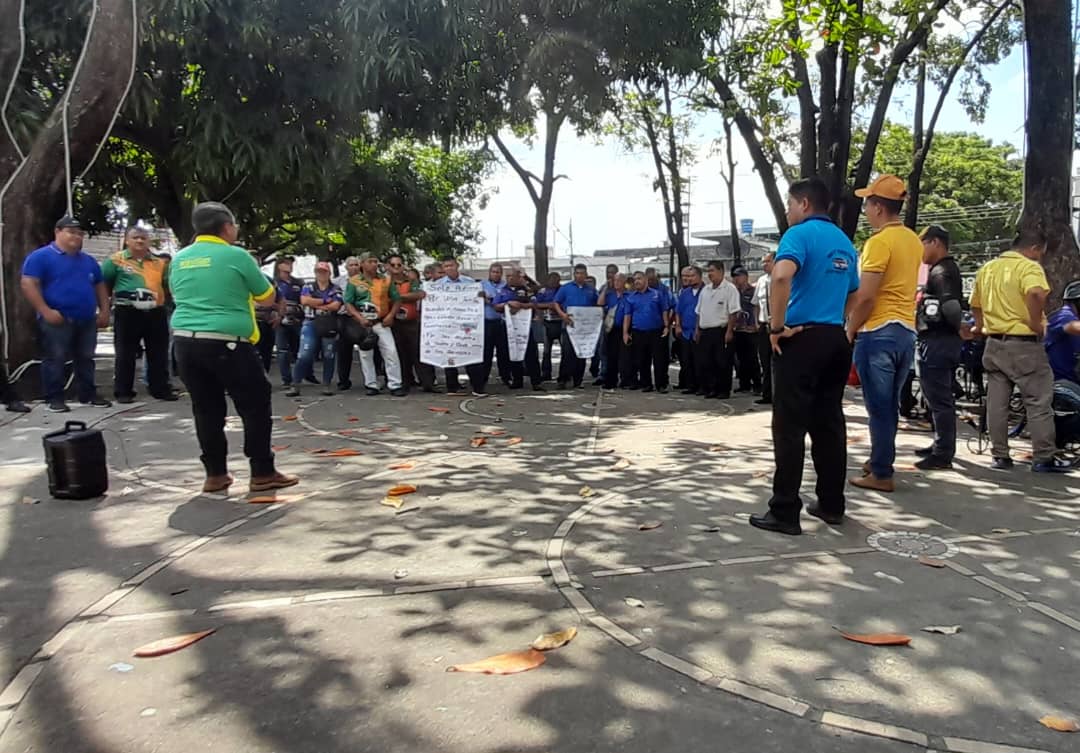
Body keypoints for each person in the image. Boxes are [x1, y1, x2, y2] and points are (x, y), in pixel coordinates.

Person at [748, 178, 860, 536]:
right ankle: (831, 503)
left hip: (800, 339)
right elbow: (856, 294)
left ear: (805, 204)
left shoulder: (797, 236)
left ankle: (784, 510)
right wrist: (839, 322)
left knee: (789, 426)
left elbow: (781, 277)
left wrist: (776, 327)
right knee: (829, 424)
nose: (787, 211)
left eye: (790, 204)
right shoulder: (845, 243)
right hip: (834, 338)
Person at [168, 201, 298, 494]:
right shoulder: (236, 256)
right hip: (227, 342)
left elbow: (178, 293)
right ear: (226, 227)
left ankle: (215, 474)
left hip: (186, 341)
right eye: (234, 224)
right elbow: (266, 296)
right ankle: (262, 471)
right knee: (254, 404)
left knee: (206, 408)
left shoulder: (179, 259)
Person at [845, 174, 922, 493]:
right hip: (905, 331)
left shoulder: (878, 242)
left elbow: (866, 296)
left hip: (877, 331)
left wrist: (850, 330)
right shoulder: (913, 240)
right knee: (889, 404)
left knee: (878, 407)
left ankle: (881, 472)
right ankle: (880, 459)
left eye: (866, 203)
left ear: (878, 207)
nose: (864, 209)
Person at [971, 228, 1070, 472]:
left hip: (994, 343)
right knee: (1038, 401)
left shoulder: (987, 269)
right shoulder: (1029, 267)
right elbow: (1036, 292)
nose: (1040, 259)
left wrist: (980, 326)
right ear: (1034, 248)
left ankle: (1000, 456)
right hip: (1024, 345)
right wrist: (1036, 323)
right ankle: (1044, 457)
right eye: (1040, 254)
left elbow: (975, 304)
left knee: (997, 402)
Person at [20, 216, 111, 412]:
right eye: (71, 232)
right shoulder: (40, 257)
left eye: (80, 233)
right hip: (56, 318)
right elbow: (29, 284)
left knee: (86, 357)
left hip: (86, 318)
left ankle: (88, 394)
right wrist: (45, 311)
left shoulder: (88, 261)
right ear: (57, 232)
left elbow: (100, 286)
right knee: (55, 357)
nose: (76, 237)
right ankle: (54, 398)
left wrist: (104, 310)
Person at [103, 226, 178, 404]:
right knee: (125, 353)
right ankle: (123, 391)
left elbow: (168, 286)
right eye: (135, 238)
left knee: (158, 352)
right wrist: (105, 308)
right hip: (127, 311)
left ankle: (160, 388)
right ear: (127, 241)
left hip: (155, 312)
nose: (139, 241)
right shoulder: (115, 261)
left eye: (143, 238)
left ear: (149, 241)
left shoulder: (160, 263)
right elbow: (104, 285)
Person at [913, 225, 965, 470]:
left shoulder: (942, 271)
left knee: (940, 398)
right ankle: (939, 444)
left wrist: (960, 327)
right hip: (936, 340)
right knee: (934, 397)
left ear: (935, 242)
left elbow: (950, 305)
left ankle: (943, 453)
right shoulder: (941, 269)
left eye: (922, 243)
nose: (919, 249)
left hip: (938, 341)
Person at [343, 253, 406, 397]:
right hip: (364, 324)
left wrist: (391, 316)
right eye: (370, 261)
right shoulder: (354, 282)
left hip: (382, 322)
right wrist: (359, 319)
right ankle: (371, 384)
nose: (374, 264)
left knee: (391, 351)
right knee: (366, 354)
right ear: (362, 264)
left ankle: (395, 384)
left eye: (375, 261)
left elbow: (397, 299)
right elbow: (348, 303)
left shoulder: (386, 280)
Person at [286, 262, 342, 397]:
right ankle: (295, 384)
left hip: (329, 323)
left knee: (328, 354)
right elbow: (304, 301)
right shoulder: (308, 286)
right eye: (318, 272)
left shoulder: (335, 287)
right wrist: (325, 301)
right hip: (311, 322)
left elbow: (336, 305)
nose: (321, 274)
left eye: (324, 272)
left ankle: (327, 384)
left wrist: (315, 303)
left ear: (329, 273)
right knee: (304, 354)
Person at [694, 261, 741, 399]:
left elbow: (733, 312)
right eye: (708, 271)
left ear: (721, 271)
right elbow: (699, 311)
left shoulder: (729, 289)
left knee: (722, 362)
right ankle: (711, 389)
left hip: (721, 330)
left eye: (712, 270)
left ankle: (723, 390)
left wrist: (729, 331)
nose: (710, 274)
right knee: (707, 362)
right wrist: (697, 329)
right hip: (706, 331)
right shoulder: (706, 290)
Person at [388, 254, 434, 392]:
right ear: (387, 266)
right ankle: (404, 383)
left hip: (412, 322)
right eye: (393, 265)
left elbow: (419, 295)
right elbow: (383, 298)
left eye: (399, 264)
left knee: (419, 353)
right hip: (394, 322)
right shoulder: (384, 282)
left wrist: (396, 297)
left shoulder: (412, 281)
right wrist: (405, 298)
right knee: (399, 354)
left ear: (403, 266)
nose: (396, 267)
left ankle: (428, 383)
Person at [493, 267, 544, 391]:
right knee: (512, 352)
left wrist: (521, 305)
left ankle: (536, 381)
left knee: (531, 353)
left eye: (512, 276)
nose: (510, 278)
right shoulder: (502, 291)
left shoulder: (526, 289)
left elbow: (534, 303)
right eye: (508, 276)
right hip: (509, 326)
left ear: (518, 277)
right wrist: (507, 304)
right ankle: (517, 380)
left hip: (525, 326)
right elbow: (496, 306)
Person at [623, 271, 671, 393]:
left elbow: (664, 311)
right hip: (639, 332)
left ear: (645, 280)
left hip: (656, 331)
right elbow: (627, 316)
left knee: (659, 359)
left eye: (639, 278)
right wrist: (625, 333)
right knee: (642, 360)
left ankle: (661, 385)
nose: (637, 281)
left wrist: (666, 326)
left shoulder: (657, 294)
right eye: (635, 280)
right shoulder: (631, 298)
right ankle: (646, 384)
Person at [553, 264, 599, 388]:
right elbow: (556, 302)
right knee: (567, 353)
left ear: (586, 274)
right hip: (569, 325)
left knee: (582, 353)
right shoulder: (566, 288)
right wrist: (562, 315)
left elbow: (598, 304)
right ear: (574, 274)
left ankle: (578, 380)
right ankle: (563, 379)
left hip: (584, 327)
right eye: (577, 273)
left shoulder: (591, 289)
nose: (580, 275)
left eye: (582, 273)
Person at [273, 258, 304, 390]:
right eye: (285, 263)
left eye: (290, 264)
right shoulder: (274, 283)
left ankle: (301, 376)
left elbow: (303, 300)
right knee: (282, 350)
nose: (289, 266)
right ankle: (287, 379)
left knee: (300, 350)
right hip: (280, 319)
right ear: (279, 266)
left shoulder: (298, 283)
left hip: (296, 319)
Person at [731, 266, 761, 394]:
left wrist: (756, 324)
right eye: (734, 277)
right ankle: (744, 384)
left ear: (746, 276)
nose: (736, 279)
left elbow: (757, 307)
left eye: (739, 276)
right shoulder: (733, 292)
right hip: (737, 329)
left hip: (750, 329)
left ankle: (758, 384)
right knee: (740, 359)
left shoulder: (753, 291)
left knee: (752, 358)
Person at [674, 266, 704, 394]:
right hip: (686, 332)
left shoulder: (706, 291)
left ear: (699, 276)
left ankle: (702, 386)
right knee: (687, 360)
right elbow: (678, 311)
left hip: (700, 331)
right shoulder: (684, 293)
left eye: (692, 276)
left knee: (701, 361)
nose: (689, 279)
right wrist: (678, 325)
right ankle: (690, 386)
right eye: (687, 276)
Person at [481, 262, 511, 387]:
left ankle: (506, 377)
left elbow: (508, 301)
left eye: (498, 272)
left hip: (502, 322)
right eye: (493, 271)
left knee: (503, 352)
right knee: (486, 352)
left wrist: (490, 300)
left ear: (501, 273)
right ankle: (482, 378)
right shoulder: (482, 285)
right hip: (487, 323)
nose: (495, 274)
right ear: (489, 272)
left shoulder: (507, 286)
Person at [250, 252, 281, 372]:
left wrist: (279, 315)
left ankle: (265, 376)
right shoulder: (238, 279)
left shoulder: (267, 279)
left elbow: (280, 298)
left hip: (267, 321)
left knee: (266, 352)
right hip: (249, 321)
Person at [598, 273, 629, 389]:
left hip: (625, 328)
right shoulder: (610, 294)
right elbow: (600, 303)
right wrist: (606, 287)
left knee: (625, 356)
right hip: (611, 329)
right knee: (611, 355)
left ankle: (625, 380)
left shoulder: (628, 295)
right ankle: (610, 380)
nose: (617, 282)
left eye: (619, 280)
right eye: (615, 280)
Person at [752, 253, 775, 405]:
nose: (764, 264)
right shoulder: (761, 280)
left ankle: (780, 395)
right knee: (765, 363)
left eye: (767, 261)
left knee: (779, 363)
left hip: (780, 326)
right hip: (763, 326)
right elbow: (756, 304)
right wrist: (756, 322)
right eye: (762, 262)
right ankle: (767, 394)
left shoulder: (785, 278)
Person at [533, 272, 563, 382]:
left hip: (561, 322)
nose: (554, 282)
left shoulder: (563, 290)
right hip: (547, 323)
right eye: (552, 280)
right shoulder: (543, 291)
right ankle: (546, 373)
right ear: (548, 280)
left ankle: (564, 374)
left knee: (565, 350)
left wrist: (557, 307)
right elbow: (535, 304)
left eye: (556, 280)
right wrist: (548, 305)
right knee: (546, 351)